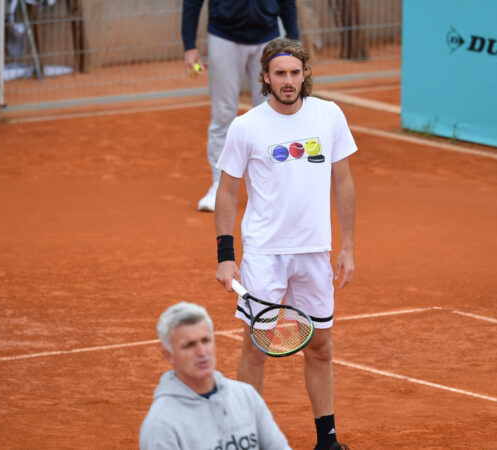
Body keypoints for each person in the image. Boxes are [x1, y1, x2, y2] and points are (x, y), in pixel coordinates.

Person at [214, 38, 356, 450]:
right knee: (257, 348)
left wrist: (348, 245)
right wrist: (227, 257)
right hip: (264, 255)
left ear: (305, 74)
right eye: (280, 74)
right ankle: (246, 439)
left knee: (321, 346)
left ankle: (326, 440)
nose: (288, 81)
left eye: (295, 72)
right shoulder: (247, 126)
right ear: (265, 77)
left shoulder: (329, 116)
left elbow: (343, 181)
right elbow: (227, 192)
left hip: (315, 252)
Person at [181, 0, 299, 211]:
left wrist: (294, 40)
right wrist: (189, 45)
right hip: (224, 37)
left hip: (268, 37)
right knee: (223, 113)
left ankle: (272, 186)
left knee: (271, 114)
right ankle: (219, 185)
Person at [139, 301, 291, 450]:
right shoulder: (161, 425)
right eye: (189, 345)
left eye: (205, 341)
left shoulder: (246, 396)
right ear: (169, 355)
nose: (202, 352)